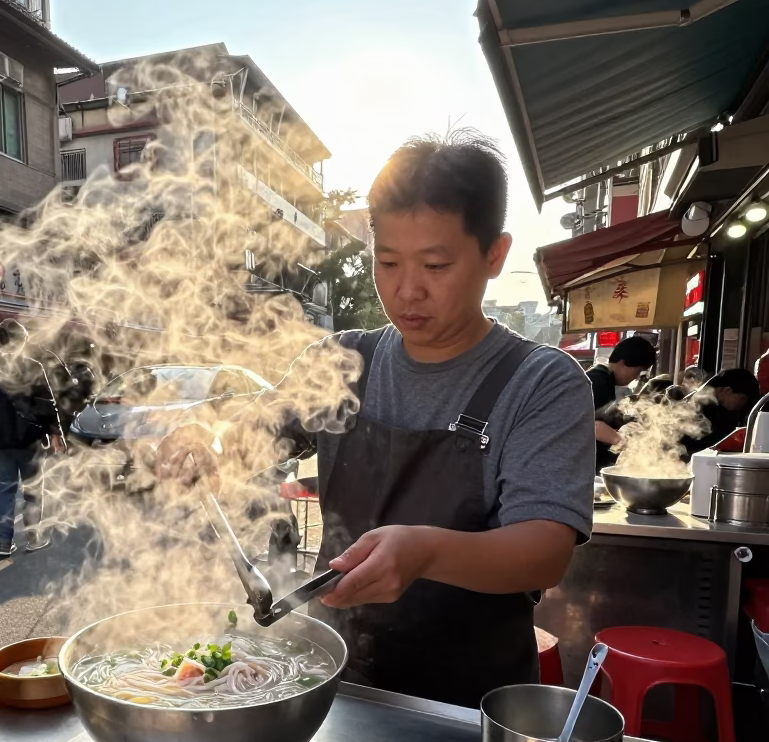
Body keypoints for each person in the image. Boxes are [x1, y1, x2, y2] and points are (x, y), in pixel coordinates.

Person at [159, 132, 595, 708]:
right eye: (386, 262)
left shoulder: (543, 382)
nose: (407, 289)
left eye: (435, 264)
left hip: (466, 705)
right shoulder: (342, 361)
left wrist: (425, 552)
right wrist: (208, 442)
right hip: (336, 684)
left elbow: (545, 549)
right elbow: (252, 436)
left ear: (495, 254)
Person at [0, 320, 66, 558]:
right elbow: (46, 404)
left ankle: (5, 543)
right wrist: (56, 433)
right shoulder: (32, 365)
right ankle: (33, 538)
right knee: (33, 489)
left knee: (5, 489)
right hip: (29, 438)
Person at [590, 336, 657, 472]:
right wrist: (631, 446)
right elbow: (593, 426)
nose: (638, 377)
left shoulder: (602, 378)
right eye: (638, 371)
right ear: (623, 363)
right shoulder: (600, 382)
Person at [680, 368, 760, 458]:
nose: (743, 404)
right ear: (727, 391)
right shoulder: (705, 405)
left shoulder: (712, 400)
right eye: (742, 398)